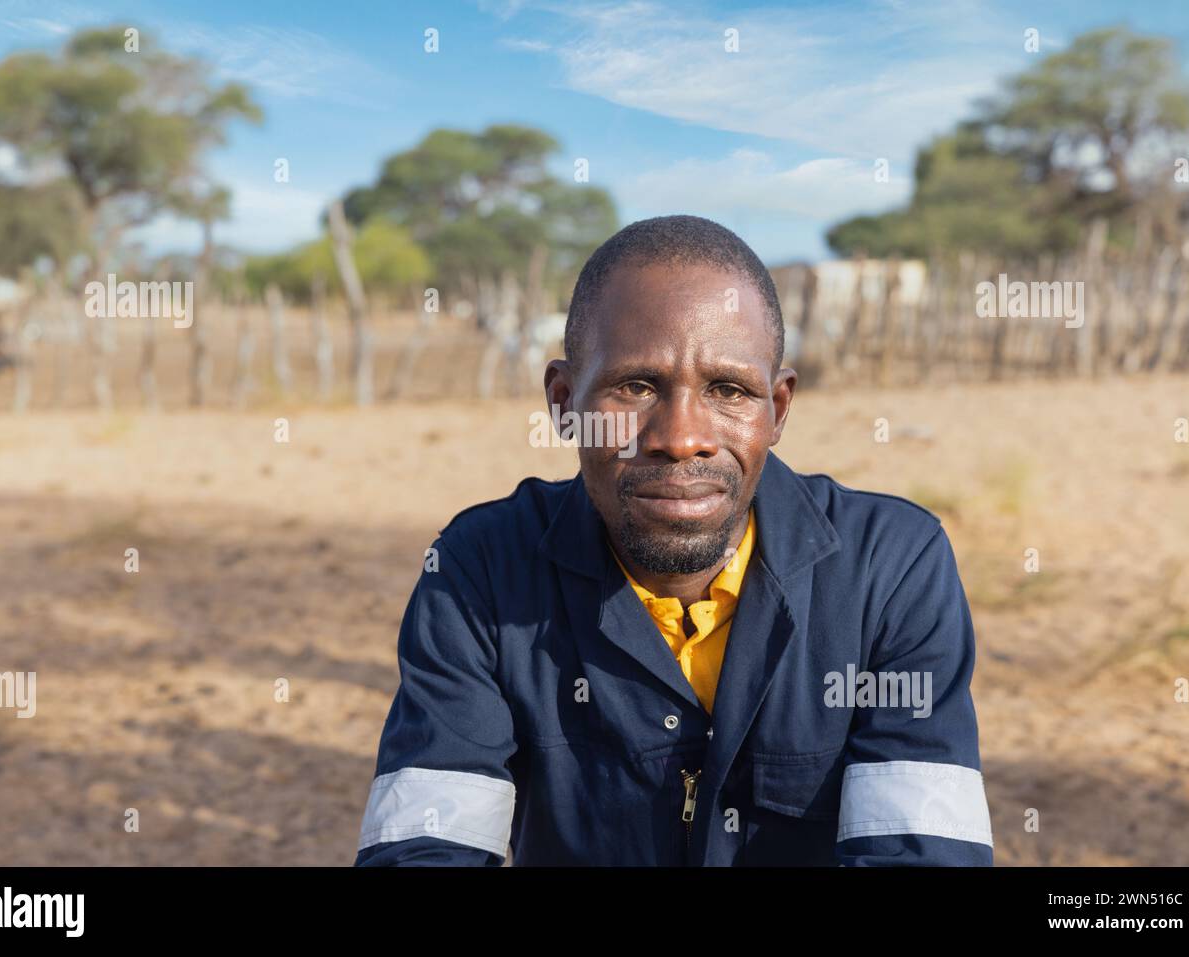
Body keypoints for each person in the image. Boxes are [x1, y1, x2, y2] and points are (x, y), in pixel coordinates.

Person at [354, 215, 992, 866]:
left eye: (728, 389)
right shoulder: (482, 571)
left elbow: (923, 855)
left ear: (778, 408)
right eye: (635, 385)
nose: (681, 435)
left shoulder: (890, 569)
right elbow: (424, 849)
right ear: (563, 400)